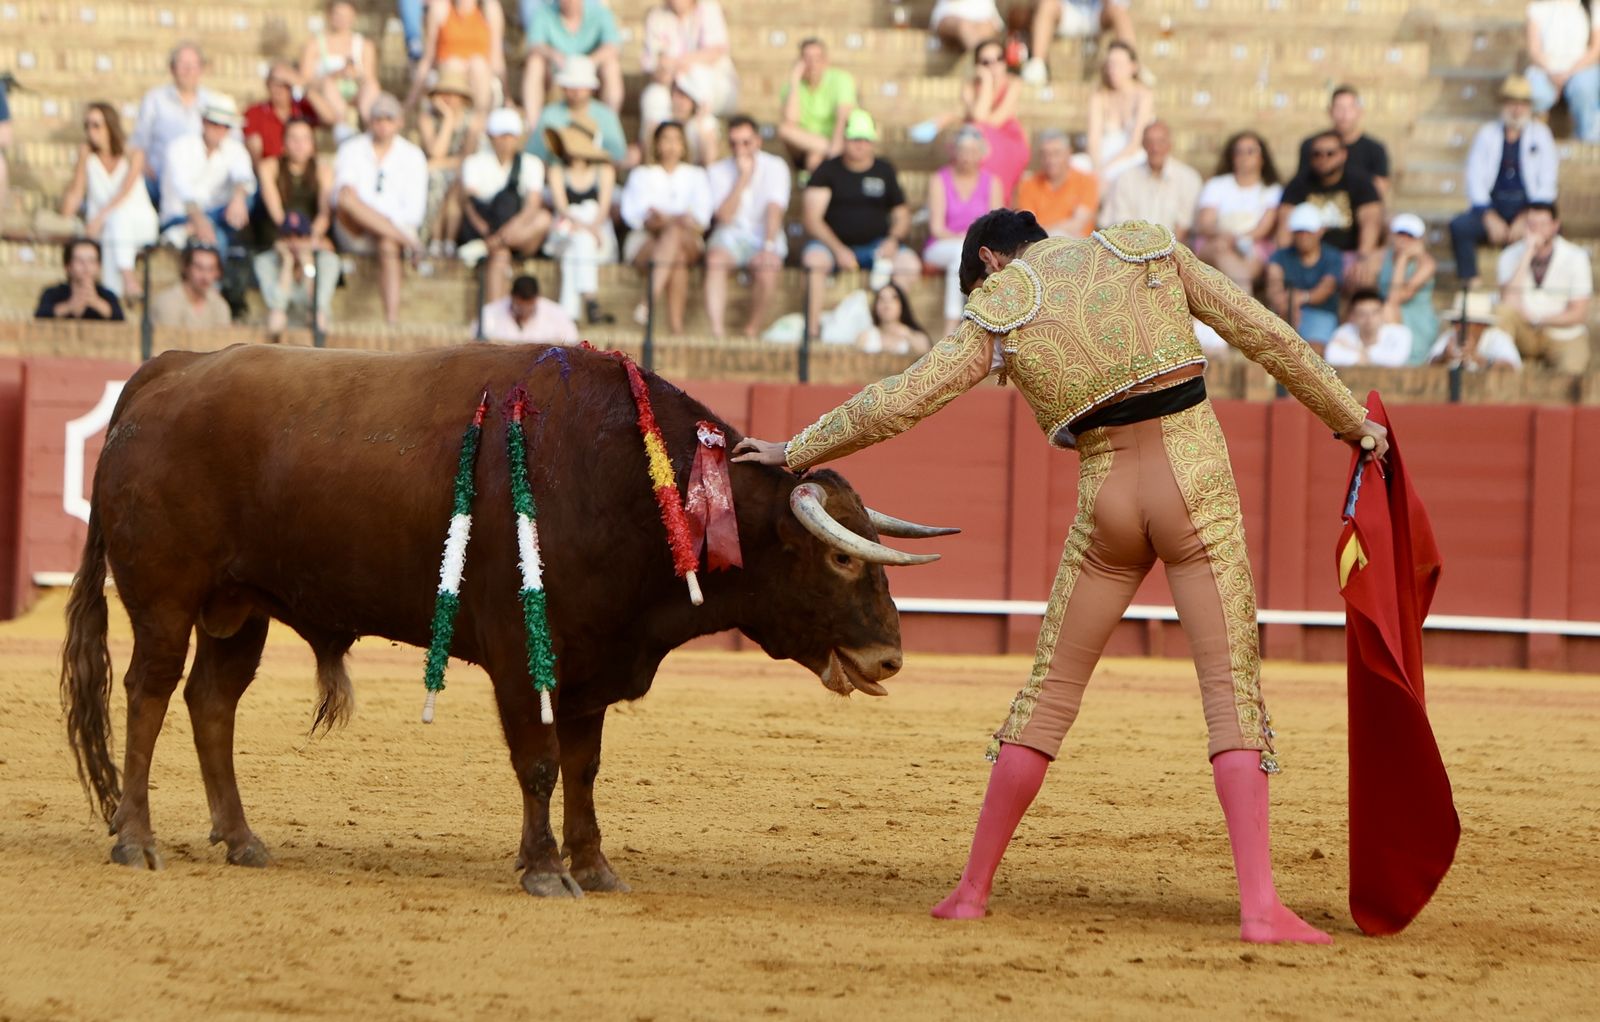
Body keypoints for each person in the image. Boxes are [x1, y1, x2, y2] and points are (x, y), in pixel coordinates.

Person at [732, 209, 1388, 943]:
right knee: (1230, 690)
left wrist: (796, 449)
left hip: (1107, 494)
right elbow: (1268, 335)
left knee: (1048, 691)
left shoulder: (1004, 304)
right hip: (1195, 482)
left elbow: (903, 399)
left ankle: (972, 891)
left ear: (989, 260)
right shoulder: (1142, 249)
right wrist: (1351, 420)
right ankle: (1260, 906)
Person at [801, 110, 921, 339]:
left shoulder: (884, 170)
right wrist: (838, 250)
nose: (860, 145)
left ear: (872, 142)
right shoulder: (827, 171)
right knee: (814, 261)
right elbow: (811, 219)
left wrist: (893, 240)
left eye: (865, 140)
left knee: (908, 263)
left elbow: (902, 214)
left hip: (876, 245)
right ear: (845, 139)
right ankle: (813, 332)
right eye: (856, 139)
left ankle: (889, 330)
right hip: (831, 245)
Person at [1449, 75, 1559, 287]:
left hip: (1528, 208)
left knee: (1549, 231)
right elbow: (1475, 179)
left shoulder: (1541, 135)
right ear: (1503, 105)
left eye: (1522, 104)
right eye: (1512, 103)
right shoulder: (1487, 134)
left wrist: (1526, 216)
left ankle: (1541, 284)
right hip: (1493, 207)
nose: (1517, 110)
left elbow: (1548, 183)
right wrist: (1489, 216)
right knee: (1460, 227)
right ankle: (1471, 283)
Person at [332, 93, 429, 324]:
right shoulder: (352, 149)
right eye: (378, 118)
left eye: (389, 118)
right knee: (349, 201)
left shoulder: (413, 156)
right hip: (357, 232)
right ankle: (411, 245)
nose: (383, 124)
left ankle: (391, 321)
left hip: (394, 233)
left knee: (387, 243)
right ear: (370, 121)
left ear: (399, 122)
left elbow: (413, 213)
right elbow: (345, 197)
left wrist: (376, 219)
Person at [58, 102, 160, 300]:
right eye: (87, 126)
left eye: (96, 125)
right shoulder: (88, 158)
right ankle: (122, 286)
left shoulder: (133, 155)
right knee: (112, 234)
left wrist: (99, 219)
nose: (91, 131)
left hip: (138, 223)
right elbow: (74, 197)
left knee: (116, 220)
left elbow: (124, 193)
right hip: (108, 230)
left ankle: (125, 281)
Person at [449, 108, 551, 304]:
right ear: (491, 137)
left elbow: (532, 204)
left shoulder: (531, 164)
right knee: (500, 255)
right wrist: (486, 230)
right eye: (501, 136)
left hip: (517, 232)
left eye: (510, 136)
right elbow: (470, 204)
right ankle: (495, 320)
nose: (506, 142)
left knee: (544, 219)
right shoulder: (475, 162)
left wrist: (506, 232)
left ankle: (487, 247)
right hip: (484, 228)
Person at [619, 121, 712, 334]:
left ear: (684, 145)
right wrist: (675, 219)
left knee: (675, 233)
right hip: (647, 242)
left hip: (689, 240)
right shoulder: (642, 174)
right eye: (666, 139)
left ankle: (648, 302)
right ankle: (676, 330)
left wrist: (667, 220)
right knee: (676, 255)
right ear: (657, 144)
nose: (671, 145)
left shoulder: (696, 175)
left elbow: (701, 219)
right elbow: (635, 216)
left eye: (676, 140)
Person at [704, 115, 791, 339]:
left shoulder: (776, 166)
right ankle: (717, 332)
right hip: (730, 237)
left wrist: (768, 246)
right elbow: (723, 217)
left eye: (746, 142)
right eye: (734, 143)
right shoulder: (718, 170)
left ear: (758, 141)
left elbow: (774, 209)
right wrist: (743, 178)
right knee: (715, 261)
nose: (740, 148)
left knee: (768, 266)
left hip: (764, 236)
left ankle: (752, 329)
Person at [253, 118, 340, 336]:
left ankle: (316, 313)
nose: (299, 145)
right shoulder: (270, 167)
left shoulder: (322, 170)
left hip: (309, 239)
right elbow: (276, 212)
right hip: (279, 237)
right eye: (293, 138)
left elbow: (324, 212)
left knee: (325, 264)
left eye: (305, 139)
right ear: (284, 142)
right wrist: (290, 237)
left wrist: (308, 240)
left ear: (312, 144)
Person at [924, 127, 1005, 335]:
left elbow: (995, 227)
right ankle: (952, 325)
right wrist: (965, 239)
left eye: (972, 151)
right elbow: (937, 228)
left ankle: (962, 325)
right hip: (943, 244)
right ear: (954, 152)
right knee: (958, 254)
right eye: (962, 150)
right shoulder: (939, 180)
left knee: (963, 256)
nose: (967, 156)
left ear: (981, 154)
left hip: (977, 247)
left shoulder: (992, 182)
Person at [1277, 131, 1382, 287]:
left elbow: (1370, 221)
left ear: (1343, 154)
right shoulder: (1298, 184)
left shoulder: (1361, 182)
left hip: (1349, 254)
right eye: (1317, 154)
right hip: (1308, 258)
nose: (1323, 158)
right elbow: (1285, 225)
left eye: (1330, 153)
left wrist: (1363, 258)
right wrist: (1285, 262)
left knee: (1363, 276)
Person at [1496, 201, 1592, 372]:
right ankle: (1504, 373)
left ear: (1555, 226)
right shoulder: (1510, 255)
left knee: (1572, 372)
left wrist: (1538, 319)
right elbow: (1507, 303)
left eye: (1543, 224)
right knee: (1501, 314)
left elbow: (1578, 313)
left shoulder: (1576, 257)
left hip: (1564, 334)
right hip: (1525, 332)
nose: (1536, 230)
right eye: (1531, 225)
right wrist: (1528, 254)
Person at [543, 116, 618, 325]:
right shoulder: (557, 170)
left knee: (574, 251)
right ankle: (590, 300)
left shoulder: (604, 170)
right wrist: (586, 228)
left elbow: (601, 211)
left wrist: (587, 228)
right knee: (580, 238)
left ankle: (569, 317)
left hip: (598, 239)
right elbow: (562, 208)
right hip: (565, 233)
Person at [157, 97, 255, 250]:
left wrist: (239, 197)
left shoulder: (235, 149)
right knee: (216, 238)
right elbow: (183, 190)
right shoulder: (179, 147)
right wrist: (198, 221)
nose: (220, 130)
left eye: (225, 126)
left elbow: (244, 176)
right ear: (203, 121)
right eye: (215, 124)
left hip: (217, 215)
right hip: (180, 216)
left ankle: (185, 232)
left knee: (247, 197)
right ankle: (188, 230)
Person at [406, 0, 504, 151]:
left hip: (479, 82)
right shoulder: (440, 8)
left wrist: (508, 96)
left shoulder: (489, 9)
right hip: (448, 77)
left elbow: (497, 59)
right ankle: (450, 122)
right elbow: (428, 57)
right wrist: (411, 100)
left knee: (477, 64)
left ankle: (480, 124)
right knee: (453, 62)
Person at [639, 0, 738, 148]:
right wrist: (668, 74)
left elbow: (715, 52)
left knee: (698, 77)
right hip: (671, 85)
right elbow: (652, 66)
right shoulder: (657, 16)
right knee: (653, 96)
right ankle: (652, 157)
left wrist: (678, 65)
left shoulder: (709, 9)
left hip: (712, 87)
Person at [1192, 130, 1283, 290]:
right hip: (1217, 242)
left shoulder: (1272, 190)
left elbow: (1264, 228)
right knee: (1221, 250)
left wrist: (1238, 240)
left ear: (1262, 158)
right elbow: (1206, 223)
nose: (1244, 157)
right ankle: (1245, 304)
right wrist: (1225, 237)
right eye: (1239, 152)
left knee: (1239, 261)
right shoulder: (1217, 184)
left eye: (1250, 151)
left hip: (1253, 246)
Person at [131, 42, 218, 201]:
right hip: (159, 180)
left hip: (201, 183)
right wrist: (143, 166)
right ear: (172, 68)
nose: (188, 71)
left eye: (193, 65)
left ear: (201, 69)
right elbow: (138, 141)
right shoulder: (154, 99)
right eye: (183, 65)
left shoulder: (213, 102)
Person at [1098, 120, 1201, 239]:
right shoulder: (1125, 178)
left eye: (1160, 142)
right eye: (1150, 142)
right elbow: (1119, 224)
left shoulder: (1189, 178)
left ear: (1170, 144)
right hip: (1132, 250)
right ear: (1143, 144)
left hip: (1174, 252)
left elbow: (1184, 226)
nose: (1155, 148)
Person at [520, 0, 624, 118]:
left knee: (612, 65)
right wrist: (554, 55)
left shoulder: (600, 13)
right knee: (535, 62)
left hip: (590, 72)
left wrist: (590, 62)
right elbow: (534, 44)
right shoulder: (544, 12)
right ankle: (533, 127)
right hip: (557, 72)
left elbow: (613, 46)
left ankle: (610, 123)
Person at [525, 55, 627, 166]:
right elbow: (534, 157)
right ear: (563, 87)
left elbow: (618, 157)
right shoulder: (549, 115)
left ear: (591, 88)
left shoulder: (606, 116)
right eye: (572, 85)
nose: (576, 91)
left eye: (581, 86)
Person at [1266, 203, 1342, 349]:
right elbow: (1274, 286)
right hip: (1286, 311)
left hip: (1321, 312)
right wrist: (1286, 304)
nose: (1303, 237)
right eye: (1299, 232)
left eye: (1308, 232)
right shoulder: (1280, 256)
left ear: (1320, 231)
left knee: (1315, 348)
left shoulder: (1332, 257)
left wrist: (1299, 298)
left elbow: (1326, 289)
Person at [1295, 86, 1390, 201]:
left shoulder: (1375, 149)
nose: (1344, 115)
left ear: (1359, 111)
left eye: (1350, 108)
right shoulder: (1312, 146)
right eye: (1339, 108)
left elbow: (1378, 192)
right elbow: (1300, 185)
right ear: (1330, 111)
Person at [1523, 0, 1600, 142]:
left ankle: (1589, 140)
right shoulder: (1537, 8)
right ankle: (1532, 139)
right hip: (1545, 68)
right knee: (1537, 93)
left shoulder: (1593, 7)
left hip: (1580, 68)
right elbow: (1534, 50)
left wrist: (1567, 74)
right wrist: (1551, 73)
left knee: (1584, 89)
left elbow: (1595, 50)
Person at [300, 0, 381, 134]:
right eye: (338, 15)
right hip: (324, 95)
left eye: (346, 16)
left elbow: (369, 77)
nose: (342, 20)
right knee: (328, 84)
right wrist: (334, 75)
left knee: (371, 85)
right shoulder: (314, 44)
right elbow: (304, 80)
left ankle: (372, 127)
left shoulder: (365, 45)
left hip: (356, 92)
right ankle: (343, 128)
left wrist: (355, 74)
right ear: (329, 15)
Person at [777, 38, 857, 174]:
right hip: (807, 145)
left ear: (826, 60)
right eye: (807, 58)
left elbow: (842, 118)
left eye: (817, 58)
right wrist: (795, 81)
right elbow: (790, 122)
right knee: (784, 129)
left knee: (814, 161)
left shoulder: (841, 79)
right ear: (800, 61)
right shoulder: (791, 86)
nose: (812, 63)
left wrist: (835, 148)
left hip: (836, 139)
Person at [1086, 41, 1154, 187]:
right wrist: (1097, 168)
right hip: (1101, 157)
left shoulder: (1143, 96)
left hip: (1131, 157)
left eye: (1119, 64)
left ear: (1133, 67)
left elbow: (1135, 143)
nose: (1113, 70)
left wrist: (1106, 169)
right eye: (1110, 64)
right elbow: (1093, 141)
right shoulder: (1099, 97)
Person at [1021, 0, 1135, 85]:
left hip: (1096, 13)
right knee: (1047, 5)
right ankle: (1037, 63)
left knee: (1119, 12)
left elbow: (1118, 4)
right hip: (1066, 10)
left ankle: (1132, 65)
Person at [1014, 129, 1098, 238]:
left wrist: (1046, 230)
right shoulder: (1028, 185)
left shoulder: (1086, 181)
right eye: (1045, 154)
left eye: (1056, 153)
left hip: (1076, 246)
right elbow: (1028, 226)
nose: (1050, 160)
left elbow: (1078, 224)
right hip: (1039, 246)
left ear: (1069, 153)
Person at [1377, 213, 1438, 365]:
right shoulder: (1382, 257)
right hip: (1385, 313)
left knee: (1389, 308)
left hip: (1417, 319)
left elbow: (1395, 298)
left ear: (1419, 240)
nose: (1404, 239)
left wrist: (1402, 259)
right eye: (1400, 234)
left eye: (1410, 236)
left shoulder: (1426, 264)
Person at [244, 63, 321, 163]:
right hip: (269, 170)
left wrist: (300, 83)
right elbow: (253, 147)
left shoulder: (303, 108)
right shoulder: (255, 112)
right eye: (275, 83)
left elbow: (331, 117)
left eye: (285, 83)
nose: (279, 88)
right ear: (267, 84)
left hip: (304, 170)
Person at [1428, 291, 1523, 371]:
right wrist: (1444, 358)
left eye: (1464, 323)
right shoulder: (1449, 337)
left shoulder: (1498, 338)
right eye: (1455, 322)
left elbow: (1511, 368)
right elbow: (1429, 365)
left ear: (1481, 325)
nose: (1457, 327)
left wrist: (1478, 358)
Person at [33, 239, 124, 321]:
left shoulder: (107, 295)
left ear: (98, 266)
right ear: (68, 266)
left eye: (91, 261)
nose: (86, 266)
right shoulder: (52, 294)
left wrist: (95, 302)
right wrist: (70, 306)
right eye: (79, 260)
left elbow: (121, 320)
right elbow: (39, 317)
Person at [474, 273, 579, 343]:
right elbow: (476, 342)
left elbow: (571, 343)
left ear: (537, 298)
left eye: (529, 306)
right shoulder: (490, 313)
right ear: (512, 297)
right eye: (520, 306)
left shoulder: (557, 314)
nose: (524, 310)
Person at [148, 243, 231, 329]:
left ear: (217, 273)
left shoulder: (219, 305)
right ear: (186, 268)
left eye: (211, 269)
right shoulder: (168, 302)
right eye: (199, 268)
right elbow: (169, 339)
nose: (205, 276)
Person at [1324, 289, 1413, 368]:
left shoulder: (1400, 333)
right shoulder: (1343, 331)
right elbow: (1331, 356)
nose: (1369, 318)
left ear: (1382, 313)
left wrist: (1358, 351)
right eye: (1362, 313)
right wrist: (1364, 358)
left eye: (1374, 312)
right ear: (1353, 316)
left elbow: (1397, 361)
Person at [856, 282, 931, 356]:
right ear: (875, 306)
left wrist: (908, 336)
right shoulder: (865, 337)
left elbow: (929, 358)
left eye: (893, 299)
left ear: (902, 305)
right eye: (882, 299)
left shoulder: (914, 337)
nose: (887, 303)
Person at [930, 0, 1003, 53]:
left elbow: (995, 25)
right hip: (950, 17)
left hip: (983, 23)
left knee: (986, 27)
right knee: (964, 27)